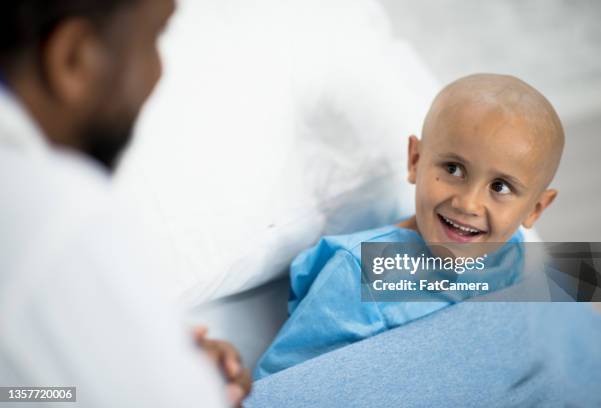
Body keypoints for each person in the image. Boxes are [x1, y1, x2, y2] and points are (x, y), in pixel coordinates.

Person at [0, 0, 249, 406]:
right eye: (155, 37)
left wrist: (122, 363)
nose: (160, 70)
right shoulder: (60, 216)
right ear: (72, 58)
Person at [255, 73, 565, 378]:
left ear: (535, 208)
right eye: (453, 168)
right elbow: (281, 388)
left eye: (500, 187)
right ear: (415, 160)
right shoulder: (360, 274)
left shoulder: (510, 252)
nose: (468, 204)